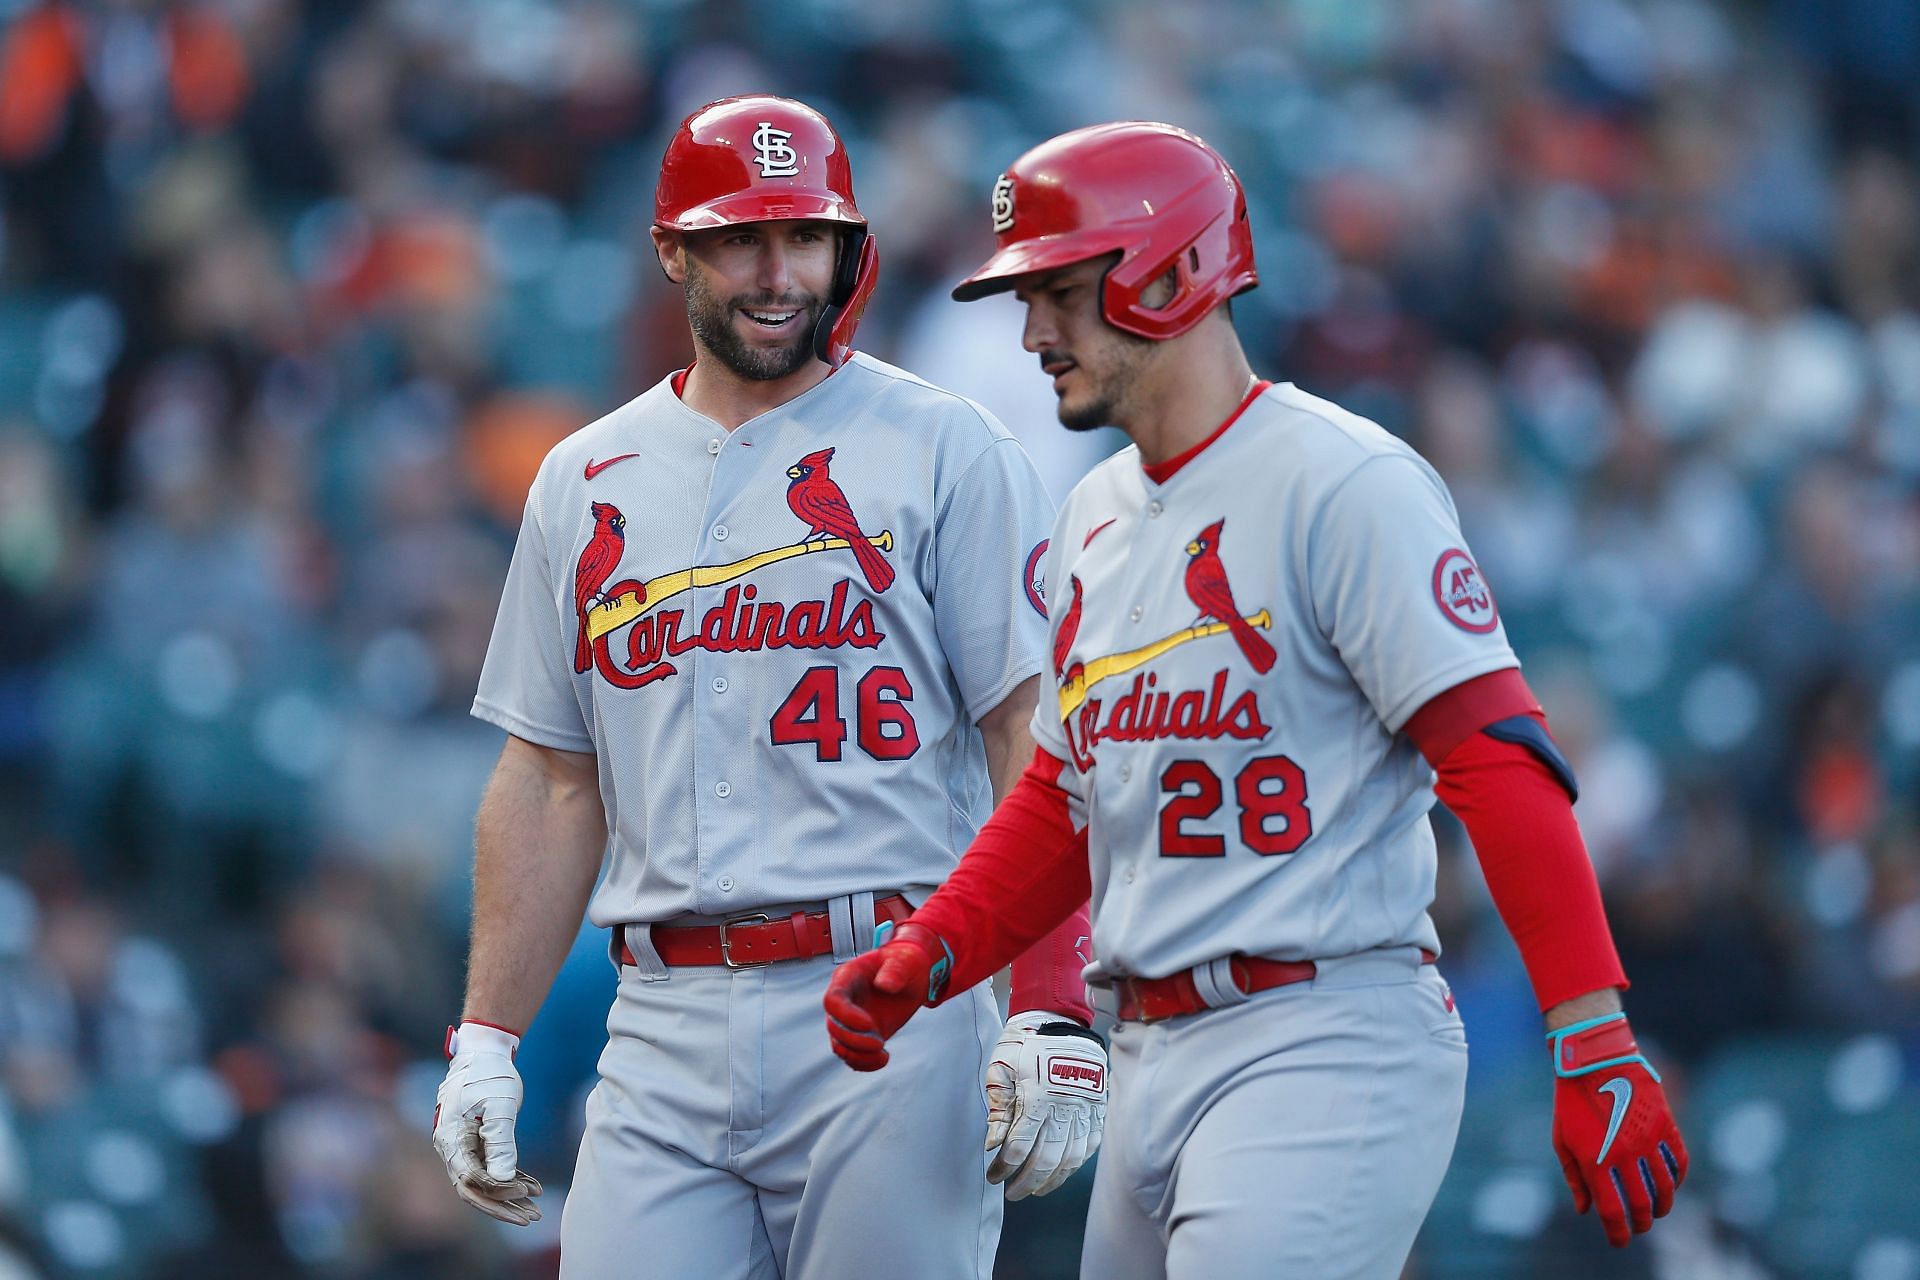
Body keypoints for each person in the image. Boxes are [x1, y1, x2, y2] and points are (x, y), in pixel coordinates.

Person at [822, 121, 1690, 1279]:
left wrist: (1592, 1030)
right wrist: (934, 947)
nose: (1031, 332)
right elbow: (1065, 797)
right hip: (1147, 1054)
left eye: (1062, 292)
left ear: (1174, 273)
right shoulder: (1091, 514)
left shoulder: (1346, 480)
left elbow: (1495, 754)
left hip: (1322, 1033)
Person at [432, 95, 1105, 1279]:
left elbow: (1034, 734)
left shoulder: (948, 447)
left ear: (848, 247)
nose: (779, 271)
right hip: (663, 1013)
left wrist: (1051, 995)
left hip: (893, 996)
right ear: (672, 251)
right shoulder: (583, 477)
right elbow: (548, 776)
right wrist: (487, 1034)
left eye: (806, 236)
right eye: (741, 237)